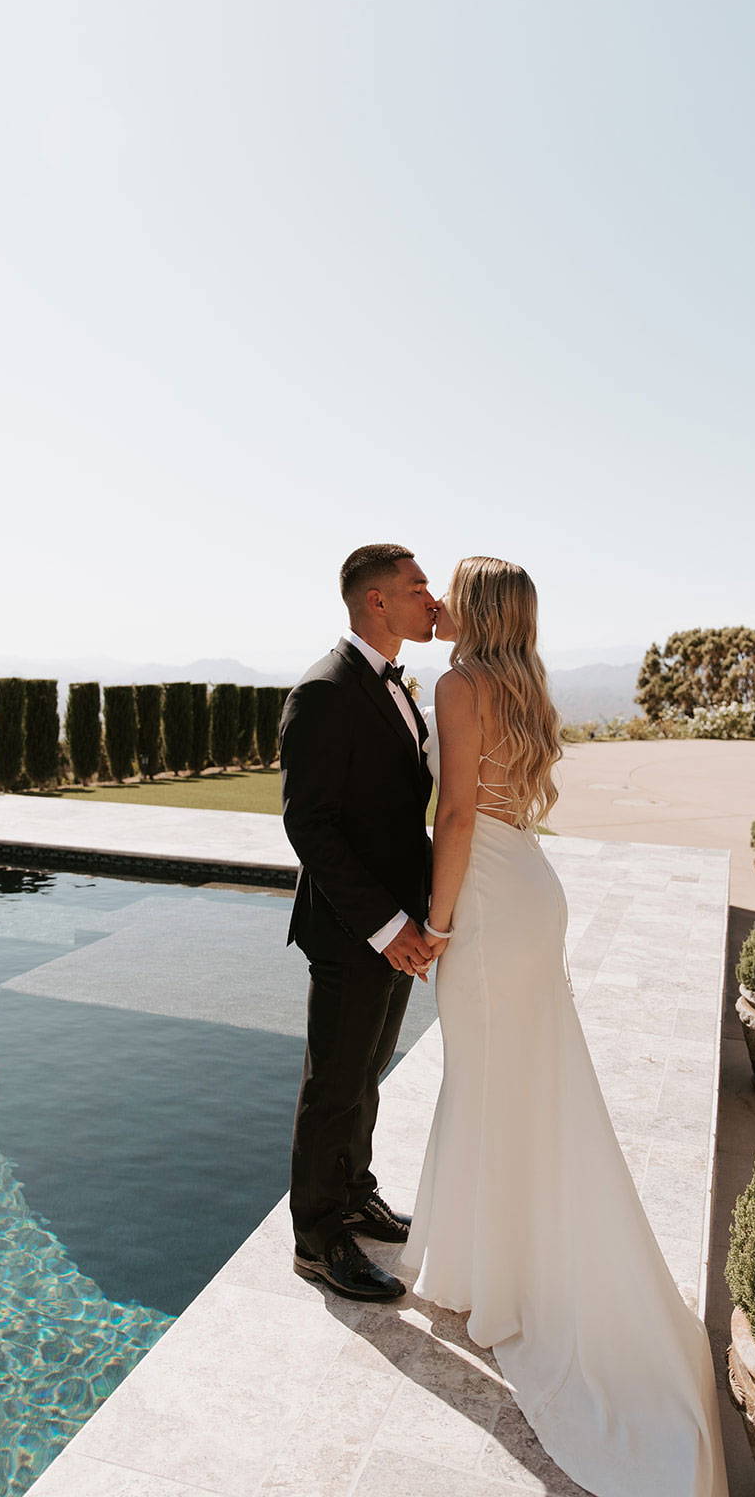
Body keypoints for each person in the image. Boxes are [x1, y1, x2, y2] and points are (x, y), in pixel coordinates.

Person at [400, 556, 729, 1497]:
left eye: (454, 586)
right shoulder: (518, 682)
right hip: (529, 891)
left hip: (490, 904)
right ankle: (485, 1261)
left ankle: (495, 1277)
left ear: (478, 608)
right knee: (508, 1085)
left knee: (485, 1083)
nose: (444, 600)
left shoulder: (457, 682)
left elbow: (455, 812)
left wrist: (440, 922)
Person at [279, 542, 438, 1301]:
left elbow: (398, 818)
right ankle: (317, 1239)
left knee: (365, 1074)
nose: (429, 598)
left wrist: (424, 914)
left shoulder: (397, 685)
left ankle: (354, 1192)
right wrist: (385, 926)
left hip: (399, 925)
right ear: (376, 600)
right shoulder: (324, 691)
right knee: (333, 1084)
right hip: (353, 930)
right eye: (416, 587)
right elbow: (310, 827)